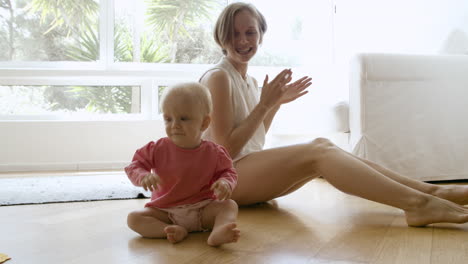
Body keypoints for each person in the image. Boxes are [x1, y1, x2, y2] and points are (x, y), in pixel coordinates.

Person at [199, 2, 468, 227]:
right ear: (221, 37)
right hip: (220, 181)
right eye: (234, 34)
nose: (243, 40)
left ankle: (434, 192)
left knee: (323, 146)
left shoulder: (247, 80)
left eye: (250, 32)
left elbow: (253, 141)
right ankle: (418, 204)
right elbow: (226, 150)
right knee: (319, 151)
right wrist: (263, 106)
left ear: (261, 35)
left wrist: (274, 103)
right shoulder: (220, 77)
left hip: (239, 173)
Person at [125, 82, 240, 246]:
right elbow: (134, 166)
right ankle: (170, 230)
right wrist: (142, 176)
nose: (174, 125)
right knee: (134, 218)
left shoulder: (215, 153)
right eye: (168, 119)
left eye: (183, 118)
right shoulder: (156, 148)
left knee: (229, 205)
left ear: (204, 123)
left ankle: (218, 231)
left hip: (202, 209)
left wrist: (225, 183)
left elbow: (229, 172)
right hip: (164, 211)